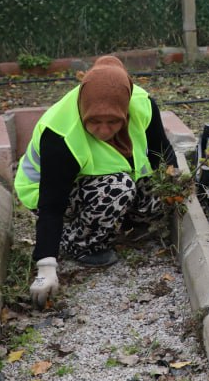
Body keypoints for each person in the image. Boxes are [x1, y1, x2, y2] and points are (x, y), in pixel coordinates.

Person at [15, 55, 178, 307]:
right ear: (84, 111)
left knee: (156, 201)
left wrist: (173, 178)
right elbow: (52, 205)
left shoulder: (142, 104)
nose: (103, 130)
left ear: (125, 111)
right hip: (48, 192)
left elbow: (161, 151)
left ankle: (116, 221)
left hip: (107, 183)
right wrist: (46, 265)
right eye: (95, 121)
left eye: (113, 121)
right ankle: (78, 243)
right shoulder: (61, 136)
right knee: (117, 188)